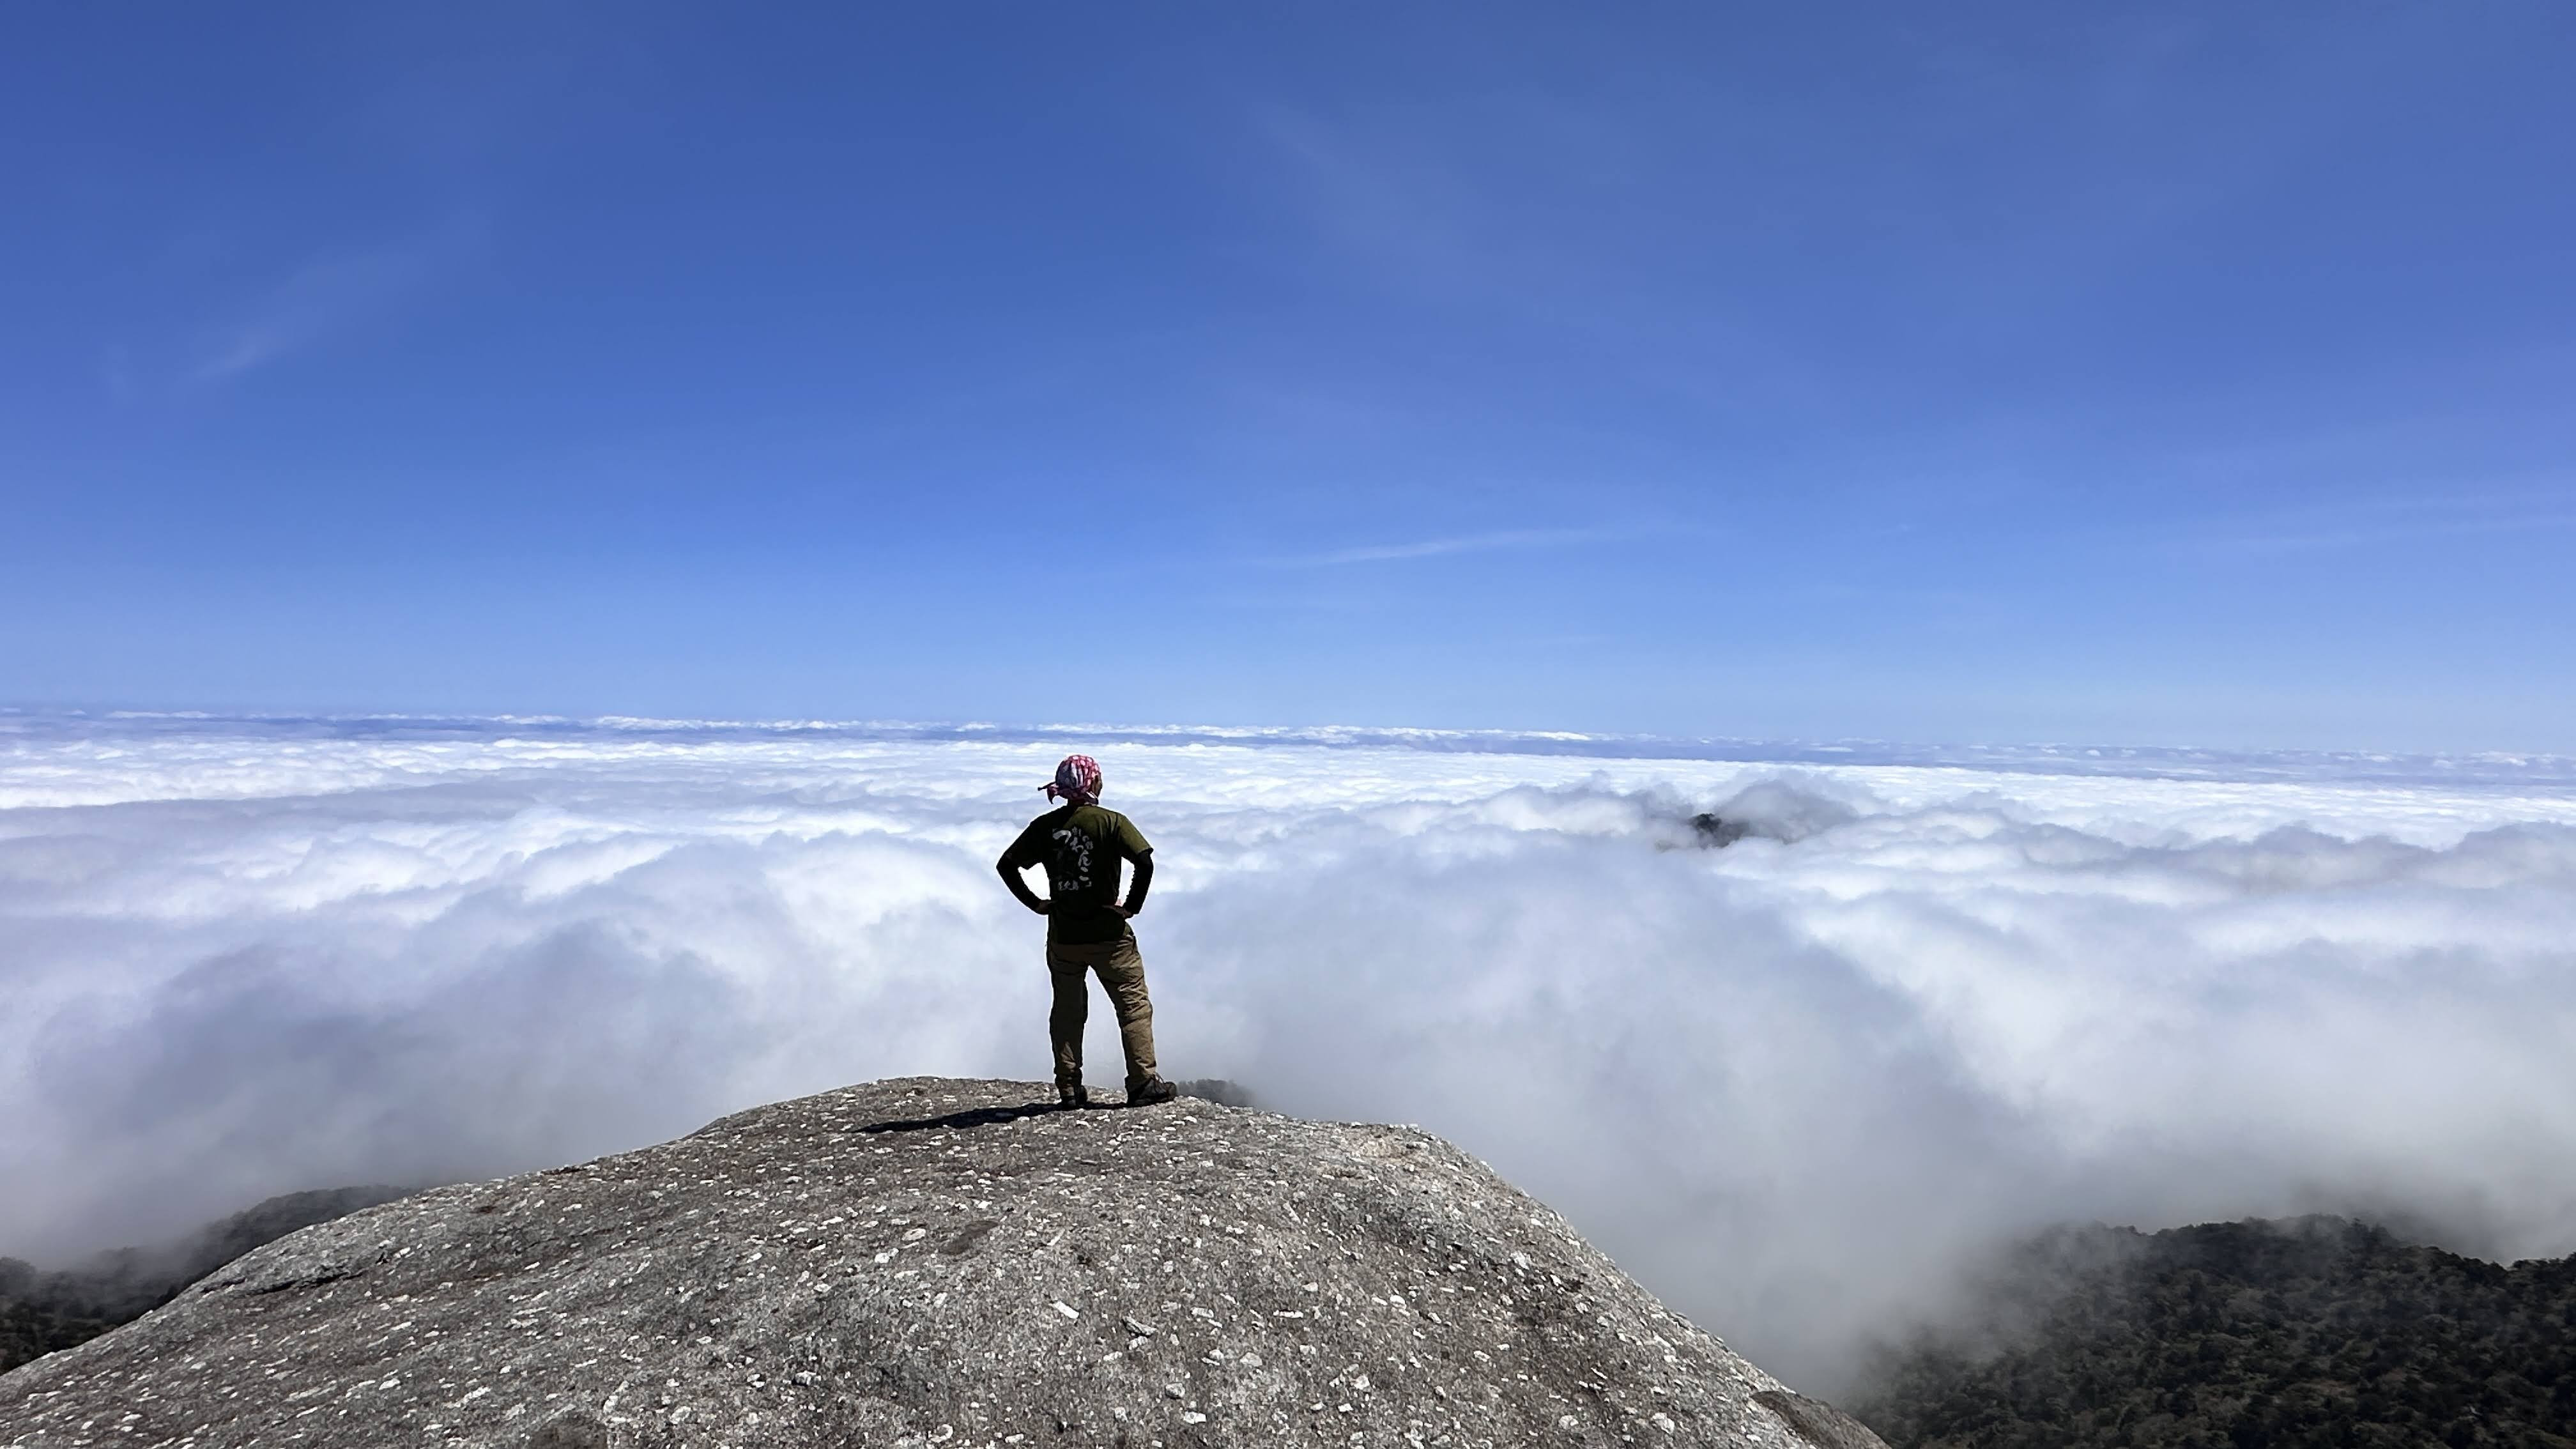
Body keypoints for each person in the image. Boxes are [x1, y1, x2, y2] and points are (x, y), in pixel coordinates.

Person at [996, 755, 1179, 1109]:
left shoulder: (1046, 825)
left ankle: (1068, 1087)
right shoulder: (1112, 822)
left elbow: (1007, 865)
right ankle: (1143, 1083)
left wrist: (1036, 904)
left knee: (1067, 1009)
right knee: (1133, 1005)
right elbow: (1144, 861)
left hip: (1064, 935)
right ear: (1093, 783)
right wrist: (1131, 906)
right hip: (1110, 935)